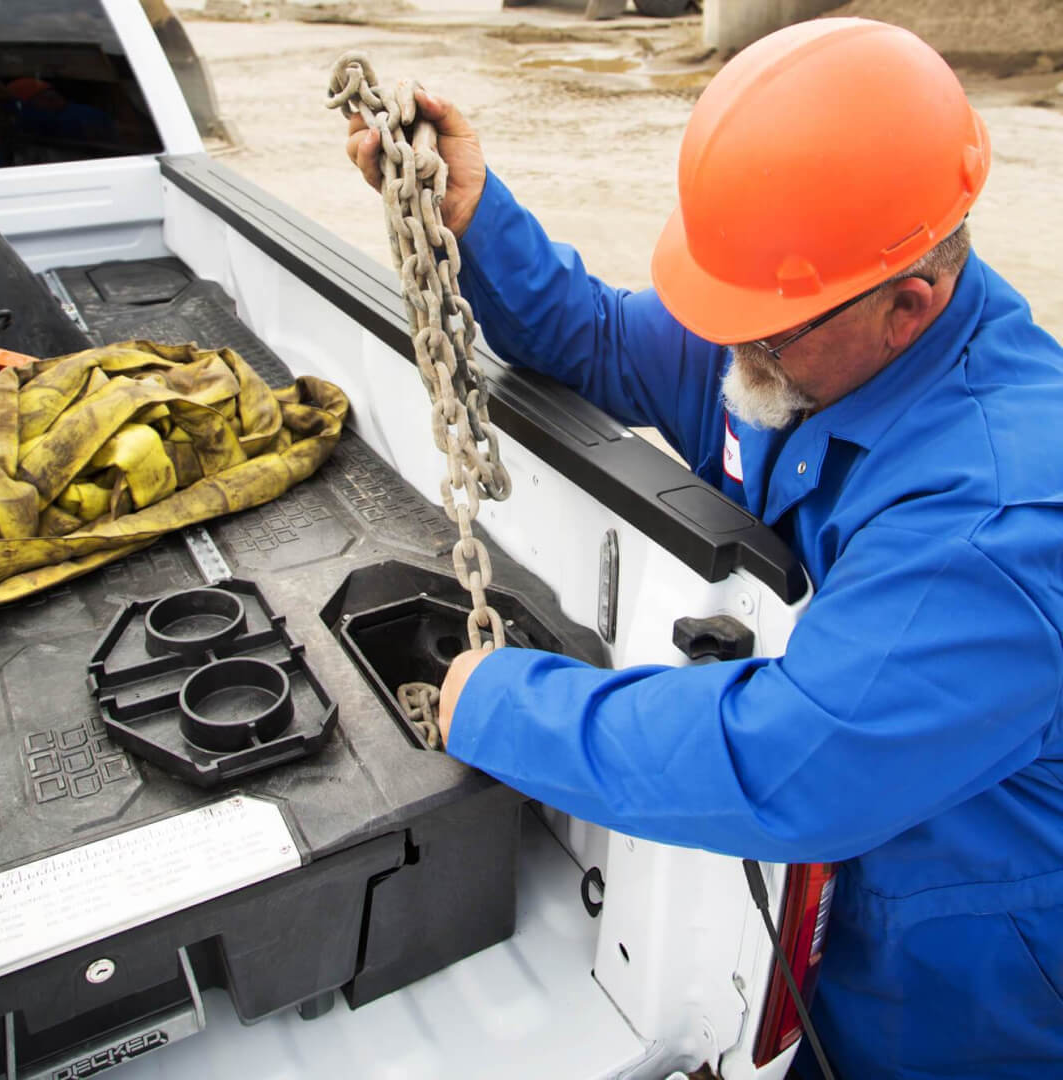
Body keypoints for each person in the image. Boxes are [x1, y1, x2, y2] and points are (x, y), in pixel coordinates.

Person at [346, 18, 1063, 1079]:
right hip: (830, 931)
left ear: (910, 306)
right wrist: (474, 218)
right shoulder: (801, 326)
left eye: (759, 327)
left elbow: (792, 759)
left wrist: (496, 702)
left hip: (960, 1002)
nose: (731, 346)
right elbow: (593, 334)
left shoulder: (1003, 520)